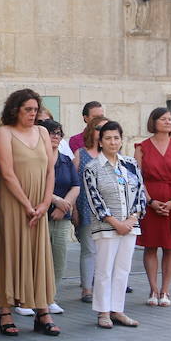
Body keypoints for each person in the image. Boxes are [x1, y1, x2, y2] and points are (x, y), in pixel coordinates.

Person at [0, 89, 58, 336]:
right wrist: (27, 205)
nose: (32, 114)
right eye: (27, 110)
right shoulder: (4, 133)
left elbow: (50, 170)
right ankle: (5, 312)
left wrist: (44, 203)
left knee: (39, 253)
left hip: (39, 203)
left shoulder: (42, 132)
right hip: (13, 202)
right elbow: (6, 173)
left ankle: (42, 311)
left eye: (35, 110)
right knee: (11, 251)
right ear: (15, 110)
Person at [83, 120, 147, 329]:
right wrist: (115, 222)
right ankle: (103, 312)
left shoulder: (130, 164)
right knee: (104, 270)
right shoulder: (92, 167)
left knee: (122, 269)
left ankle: (117, 309)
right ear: (100, 142)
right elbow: (95, 200)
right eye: (108, 138)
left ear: (121, 140)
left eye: (116, 138)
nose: (113, 142)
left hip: (130, 226)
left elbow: (140, 194)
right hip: (107, 228)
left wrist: (131, 219)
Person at [136, 107, 171, 307]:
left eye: (170, 119)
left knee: (170, 247)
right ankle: (153, 288)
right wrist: (149, 201)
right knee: (150, 246)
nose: (168, 122)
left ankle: (165, 290)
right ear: (154, 122)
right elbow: (137, 178)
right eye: (163, 119)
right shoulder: (141, 147)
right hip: (150, 202)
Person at [41, 119, 79, 316]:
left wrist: (64, 207)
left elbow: (76, 185)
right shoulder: (37, 159)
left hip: (62, 217)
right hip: (40, 215)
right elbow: (34, 185)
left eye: (59, 133)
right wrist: (55, 201)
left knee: (58, 258)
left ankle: (50, 297)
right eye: (52, 133)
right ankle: (34, 298)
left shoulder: (65, 159)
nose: (56, 136)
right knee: (38, 258)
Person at [73, 115, 108, 304]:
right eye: (98, 128)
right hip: (86, 207)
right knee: (89, 249)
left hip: (109, 210)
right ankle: (87, 288)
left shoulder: (112, 156)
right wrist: (75, 210)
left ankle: (102, 287)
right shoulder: (81, 153)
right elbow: (75, 182)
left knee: (106, 250)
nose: (101, 132)